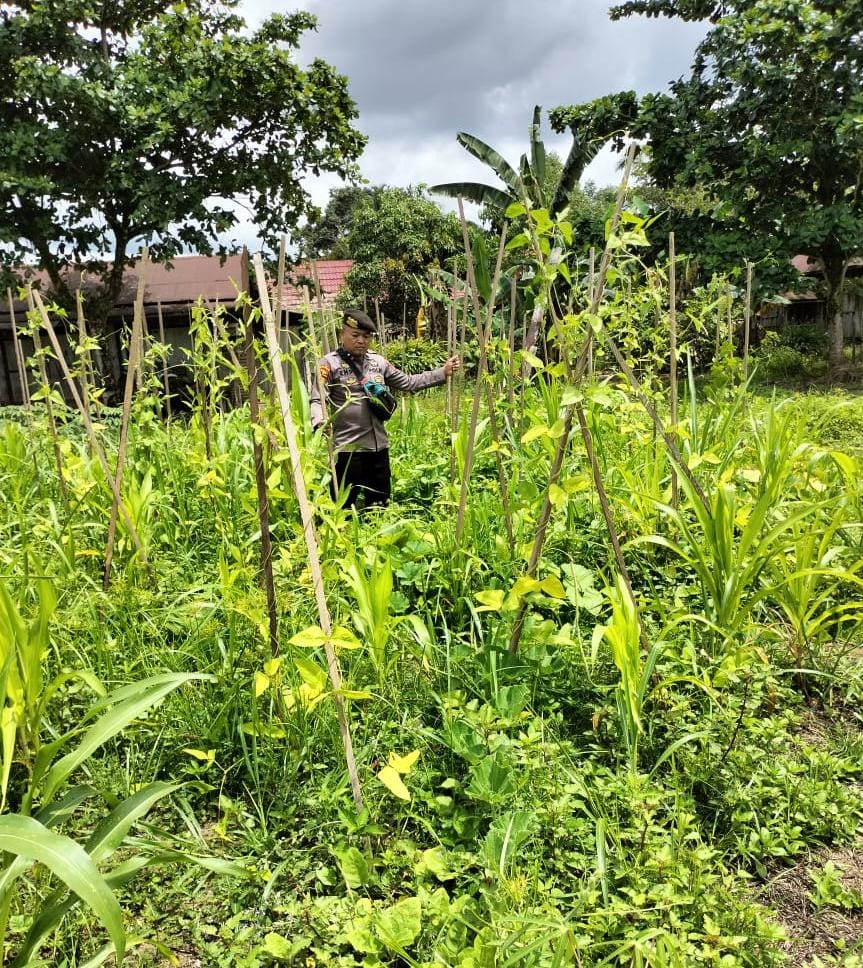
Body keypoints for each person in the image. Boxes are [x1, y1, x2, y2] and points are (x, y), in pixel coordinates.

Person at [309, 309, 460, 508]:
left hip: (378, 448)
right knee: (343, 507)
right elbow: (317, 399)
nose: (361, 341)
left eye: (366, 336)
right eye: (355, 335)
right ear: (342, 334)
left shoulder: (378, 362)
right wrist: (320, 421)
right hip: (348, 449)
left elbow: (409, 382)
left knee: (380, 505)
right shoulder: (329, 363)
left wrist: (442, 372)